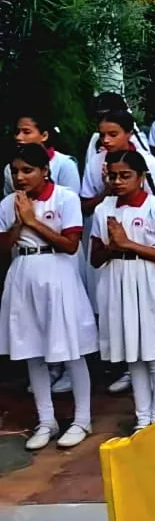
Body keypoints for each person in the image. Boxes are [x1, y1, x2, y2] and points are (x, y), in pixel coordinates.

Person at [2, 143, 97, 450]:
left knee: (71, 348)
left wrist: (33, 222)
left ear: (45, 170)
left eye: (27, 170)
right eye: (15, 171)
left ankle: (82, 419)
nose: (20, 177)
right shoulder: (8, 203)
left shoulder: (65, 198)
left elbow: (69, 244)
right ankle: (46, 419)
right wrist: (19, 222)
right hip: (23, 272)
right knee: (31, 348)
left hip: (57, 272)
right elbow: (4, 245)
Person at [91, 149, 155, 433]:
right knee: (133, 351)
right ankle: (143, 418)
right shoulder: (103, 209)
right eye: (113, 176)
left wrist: (128, 244)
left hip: (150, 279)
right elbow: (95, 258)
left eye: (125, 175)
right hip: (118, 279)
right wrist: (113, 247)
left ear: (141, 176)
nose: (118, 181)